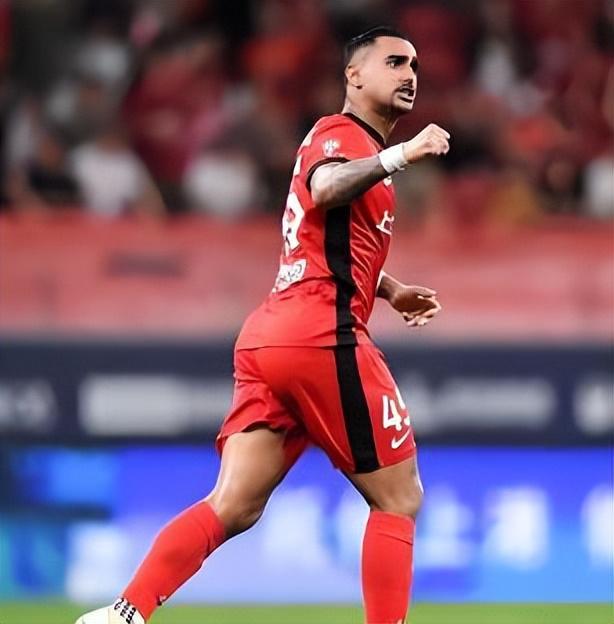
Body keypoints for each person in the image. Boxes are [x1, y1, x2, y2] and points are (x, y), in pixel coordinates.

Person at [76, 26, 449, 624]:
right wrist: (401, 155)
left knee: (235, 504)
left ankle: (123, 613)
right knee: (399, 497)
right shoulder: (341, 135)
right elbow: (325, 188)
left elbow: (322, 241)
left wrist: (390, 288)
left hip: (270, 336)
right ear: (353, 75)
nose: (409, 74)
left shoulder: (351, 152)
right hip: (321, 335)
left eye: (415, 65)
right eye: (394, 62)